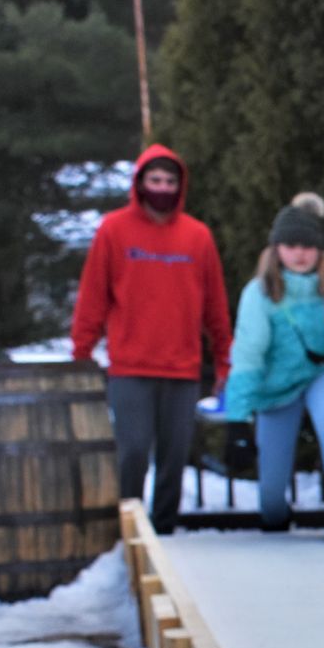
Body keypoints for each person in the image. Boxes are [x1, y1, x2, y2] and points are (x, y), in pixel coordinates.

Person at [70, 143, 233, 534]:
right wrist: (81, 352)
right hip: (130, 367)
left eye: (170, 181)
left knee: (174, 457)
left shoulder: (198, 236)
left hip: (182, 368)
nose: (162, 187)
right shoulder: (114, 229)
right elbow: (93, 296)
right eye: (154, 180)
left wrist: (224, 359)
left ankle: (164, 532)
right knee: (134, 452)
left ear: (181, 186)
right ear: (140, 183)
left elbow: (216, 306)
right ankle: (129, 532)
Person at [224, 194, 324, 542]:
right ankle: (274, 514)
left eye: (308, 245)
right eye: (291, 245)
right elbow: (248, 356)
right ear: (277, 249)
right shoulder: (259, 293)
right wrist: (238, 419)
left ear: (319, 249)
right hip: (275, 385)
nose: (300, 253)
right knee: (272, 485)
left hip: (323, 373)